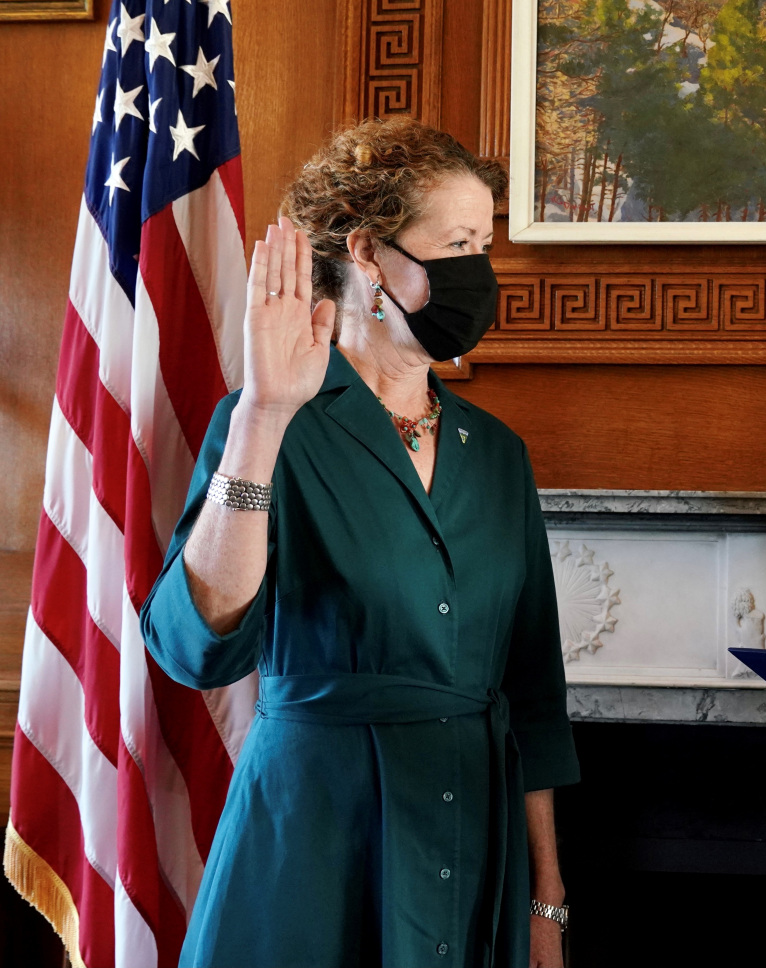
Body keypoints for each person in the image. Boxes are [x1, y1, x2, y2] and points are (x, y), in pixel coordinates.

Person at [139, 118, 578, 967]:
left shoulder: (496, 454)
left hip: (474, 840)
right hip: (314, 837)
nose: (478, 273)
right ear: (369, 255)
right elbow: (195, 646)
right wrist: (265, 415)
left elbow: (534, 701)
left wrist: (546, 903)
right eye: (455, 244)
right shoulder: (268, 421)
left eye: (482, 245)